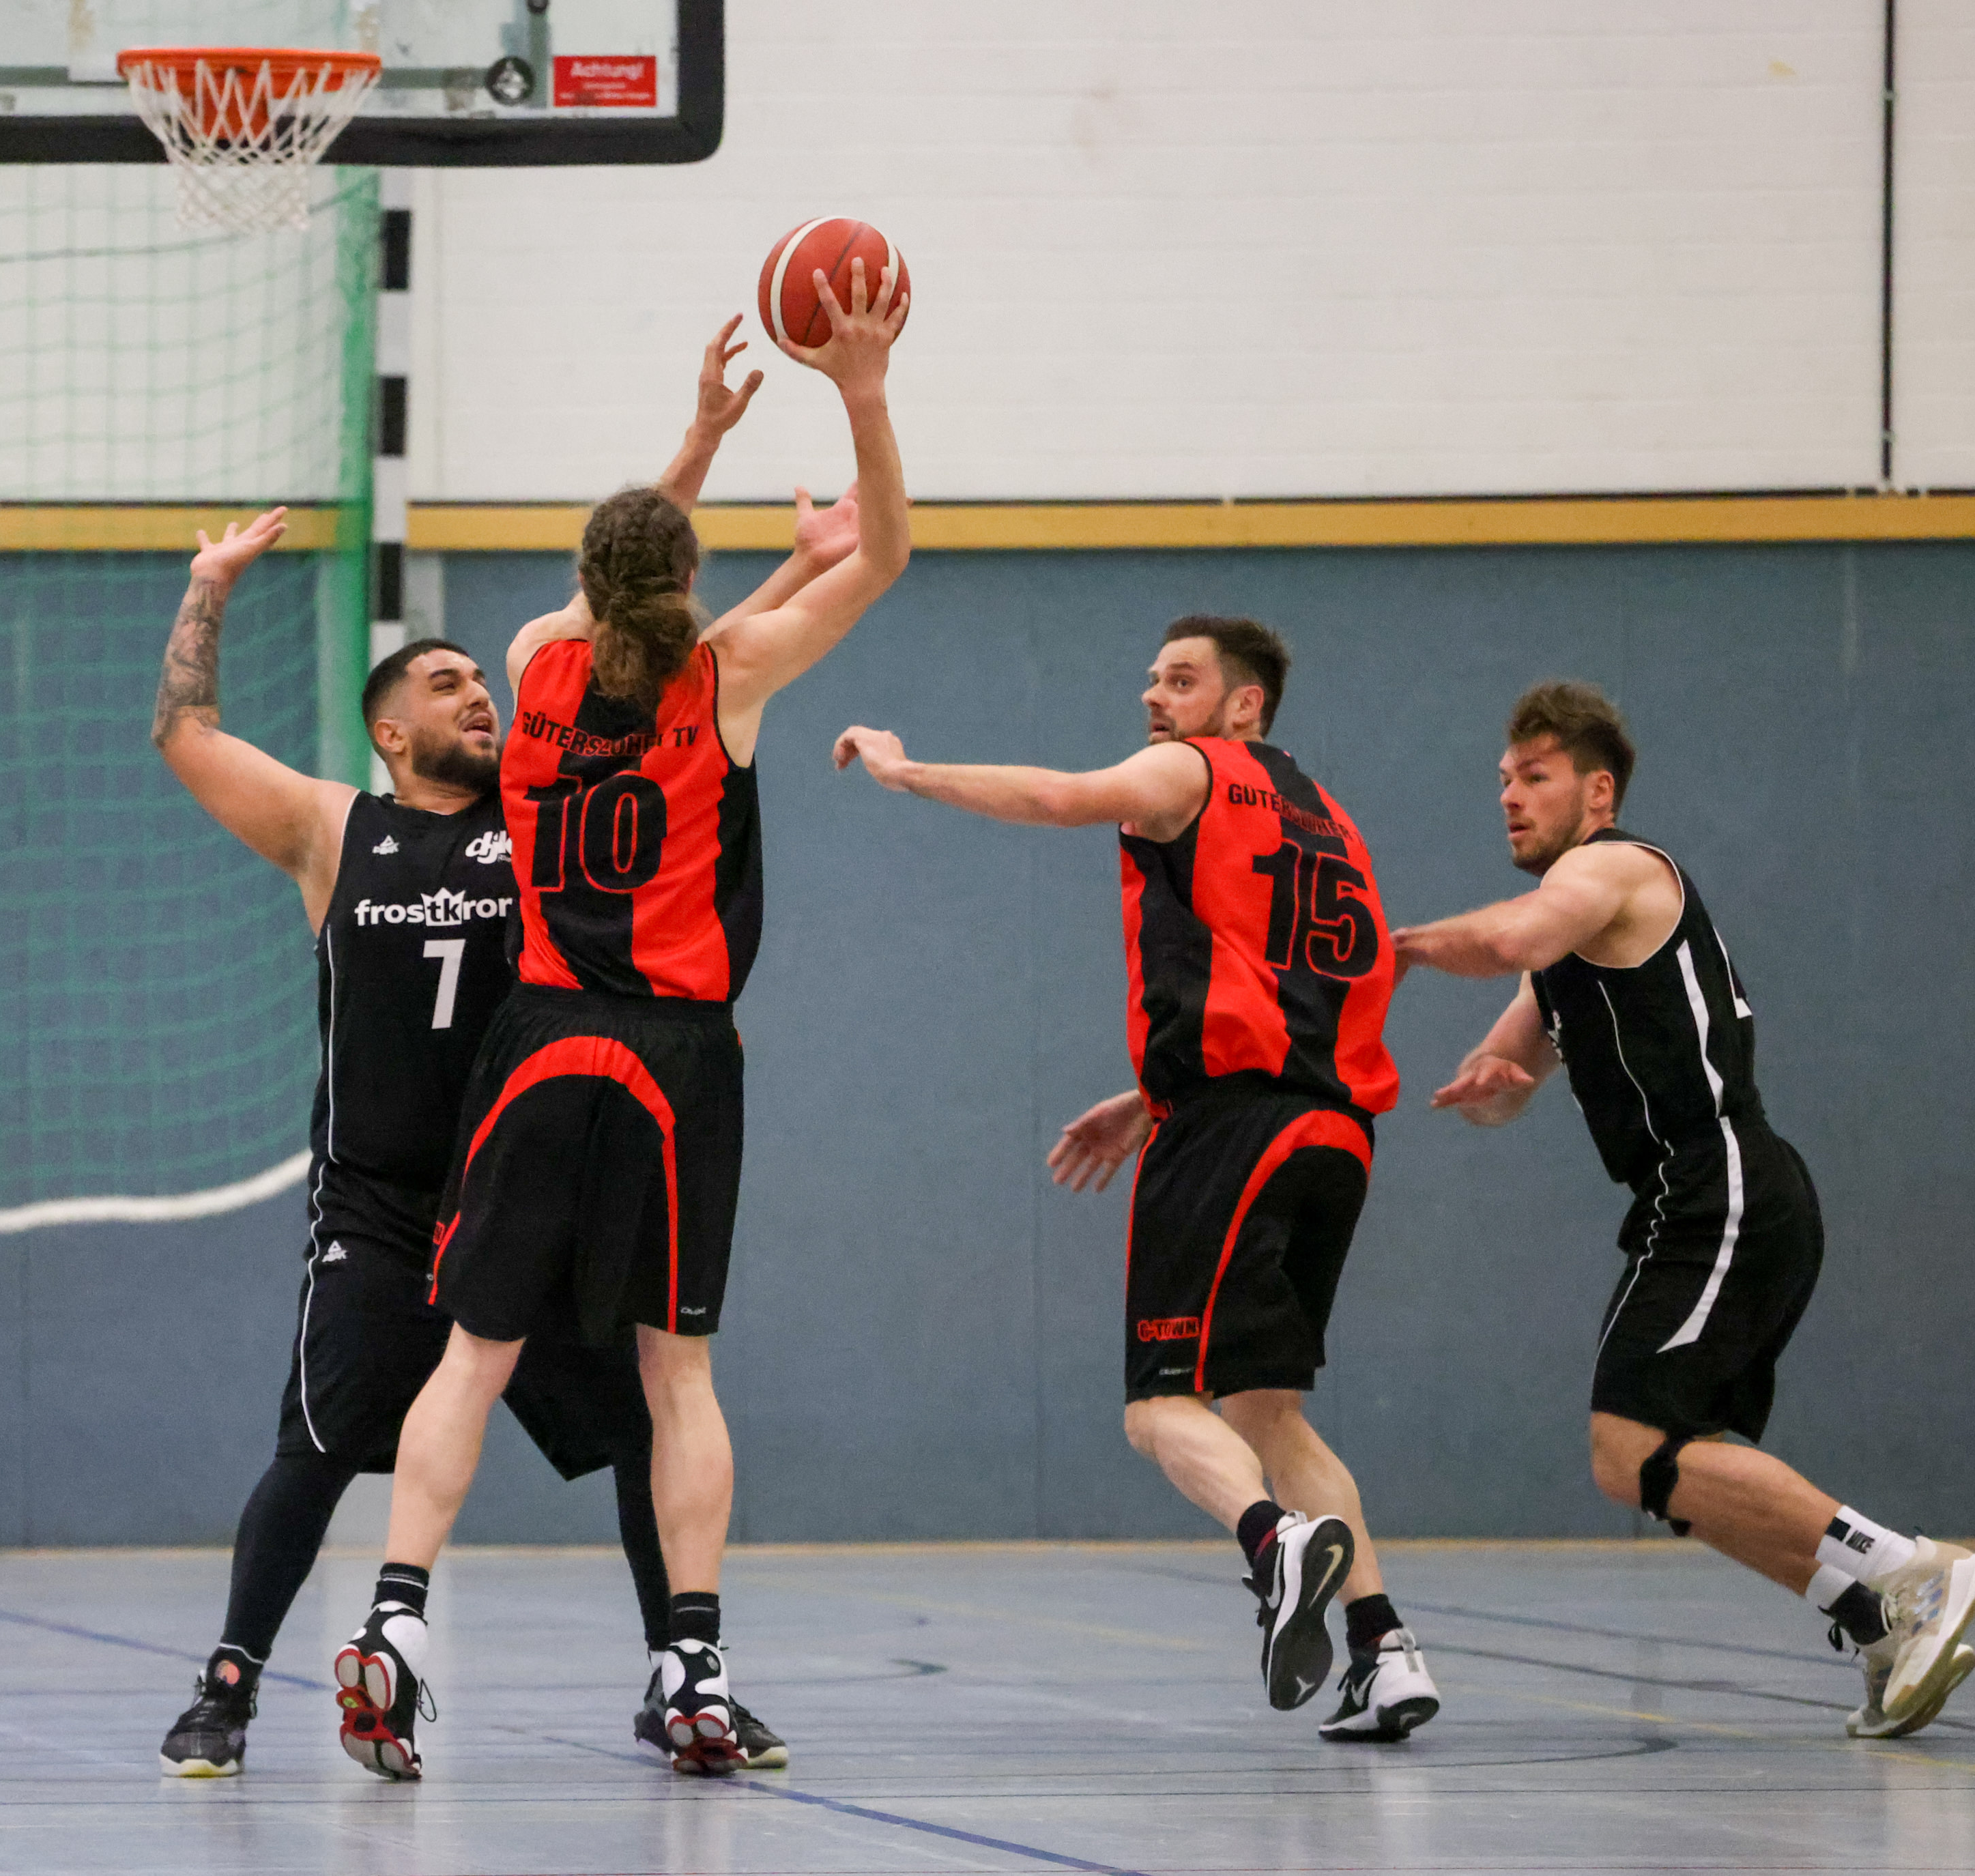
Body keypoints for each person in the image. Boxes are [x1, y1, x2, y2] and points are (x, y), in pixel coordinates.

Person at [154, 321, 841, 1779]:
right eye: (445, 683)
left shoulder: (551, 805)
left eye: (486, 675)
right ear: (389, 730)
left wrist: (705, 459)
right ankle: (227, 1684)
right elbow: (186, 734)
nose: (479, 691)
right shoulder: (333, 828)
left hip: (536, 1172)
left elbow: (651, 627)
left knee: (645, 1420)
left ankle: (681, 1674)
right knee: (316, 1449)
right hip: (381, 1202)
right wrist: (206, 588)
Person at [332, 265, 912, 1780]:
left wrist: (697, 435)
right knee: (676, 1376)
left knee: (471, 1354)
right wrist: (859, 388)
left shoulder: (533, 661)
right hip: (670, 1055)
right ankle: (694, 1659)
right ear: (690, 579)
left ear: (587, 576)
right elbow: (887, 553)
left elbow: (620, 571)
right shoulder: (728, 674)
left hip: (535, 1041)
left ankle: (394, 1617)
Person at [835, 617, 1442, 1742]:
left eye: (1182, 679)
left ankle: (1274, 1544)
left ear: (1244, 703)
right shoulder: (1330, 818)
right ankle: (1383, 1648)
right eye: (1152, 679)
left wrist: (909, 772)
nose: (1155, 696)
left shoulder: (1192, 772)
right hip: (1334, 1133)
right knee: (1264, 1410)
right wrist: (1150, 1088)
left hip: (1231, 1127)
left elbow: (1060, 796)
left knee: (1157, 1407)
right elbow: (1319, 979)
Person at [1391, 680, 1975, 1740]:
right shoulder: (1562, 948)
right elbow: (1506, 1062)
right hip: (1688, 1201)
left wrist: (1393, 946)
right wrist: (1494, 1088)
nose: (1509, 796)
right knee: (1658, 1463)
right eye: (1502, 779)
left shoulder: (1612, 869)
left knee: (1629, 1440)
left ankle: (1910, 1569)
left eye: (1534, 776)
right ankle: (1875, 1619)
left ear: (1597, 790)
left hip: (1725, 1187)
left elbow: (1513, 933)